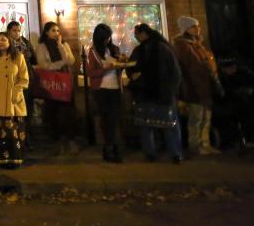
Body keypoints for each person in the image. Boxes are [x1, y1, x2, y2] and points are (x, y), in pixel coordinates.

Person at [127, 23, 183, 164]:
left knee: (150, 126)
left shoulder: (150, 49)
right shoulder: (162, 48)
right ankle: (174, 154)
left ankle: (152, 153)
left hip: (149, 93)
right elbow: (175, 72)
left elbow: (131, 68)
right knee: (168, 125)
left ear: (144, 33)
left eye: (137, 34)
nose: (136, 37)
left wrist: (134, 76)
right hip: (161, 93)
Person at [171, 16, 221, 156]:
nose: (198, 29)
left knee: (206, 118)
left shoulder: (197, 45)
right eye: (194, 27)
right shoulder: (183, 47)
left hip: (204, 87)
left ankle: (205, 143)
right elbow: (186, 70)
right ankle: (196, 145)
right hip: (193, 89)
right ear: (187, 29)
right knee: (196, 119)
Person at [0, 31, 30, 169]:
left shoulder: (18, 57)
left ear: (9, 42)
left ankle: (15, 159)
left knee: (13, 131)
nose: (1, 42)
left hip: (13, 100)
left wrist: (17, 90)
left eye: (4, 40)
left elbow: (24, 78)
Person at [35, 21, 79, 156]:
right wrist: (60, 63)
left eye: (58, 31)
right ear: (46, 32)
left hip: (65, 82)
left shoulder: (64, 44)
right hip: (51, 83)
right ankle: (57, 142)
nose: (56, 33)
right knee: (53, 113)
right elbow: (44, 65)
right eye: (53, 30)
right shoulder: (41, 47)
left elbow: (71, 60)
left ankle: (70, 140)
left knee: (68, 113)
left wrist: (60, 46)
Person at [85, 23, 125, 163]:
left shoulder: (114, 49)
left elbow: (119, 67)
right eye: (105, 38)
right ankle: (109, 148)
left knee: (114, 119)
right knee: (106, 120)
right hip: (101, 89)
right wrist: (106, 68)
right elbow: (90, 72)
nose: (107, 40)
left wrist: (121, 64)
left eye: (109, 37)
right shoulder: (94, 52)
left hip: (115, 88)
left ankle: (114, 147)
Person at [6, 21, 35, 146]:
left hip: (27, 79)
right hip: (13, 82)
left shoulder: (25, 43)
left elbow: (34, 59)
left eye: (19, 30)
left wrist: (28, 55)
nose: (17, 33)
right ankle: (15, 138)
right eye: (14, 30)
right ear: (9, 31)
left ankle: (26, 137)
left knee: (27, 110)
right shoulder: (5, 44)